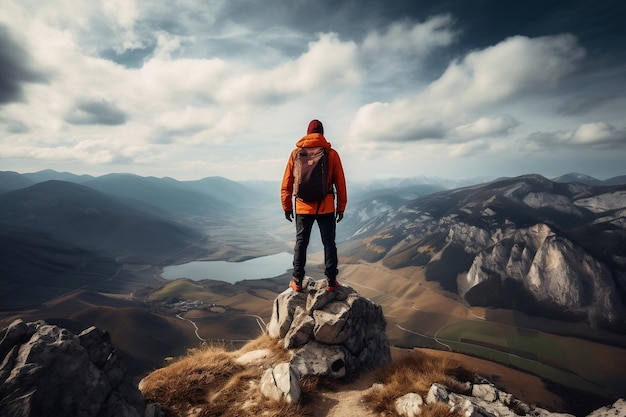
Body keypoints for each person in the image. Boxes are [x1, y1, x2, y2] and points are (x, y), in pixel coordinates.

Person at [281, 119, 347, 292]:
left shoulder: (296, 153)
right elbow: (340, 183)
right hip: (326, 207)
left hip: (303, 206)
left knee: (301, 243)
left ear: (307, 133)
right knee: (329, 243)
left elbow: (287, 181)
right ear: (322, 134)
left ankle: (297, 281)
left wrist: (287, 206)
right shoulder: (331, 154)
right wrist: (341, 207)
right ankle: (331, 282)